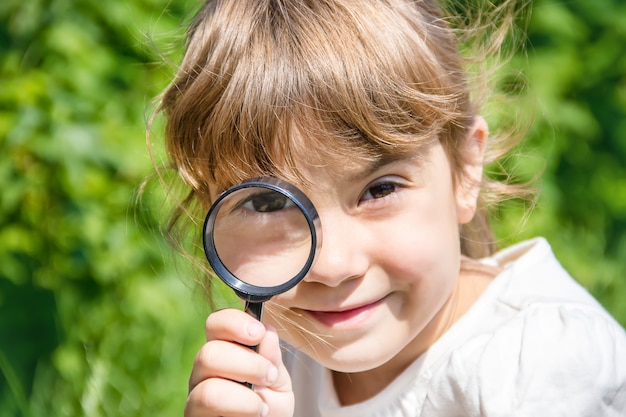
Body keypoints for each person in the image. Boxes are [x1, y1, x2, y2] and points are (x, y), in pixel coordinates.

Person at [152, 0, 626, 415]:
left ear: (465, 170)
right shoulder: (280, 366)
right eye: (268, 202)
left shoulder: (540, 366)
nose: (333, 268)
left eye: (380, 190)